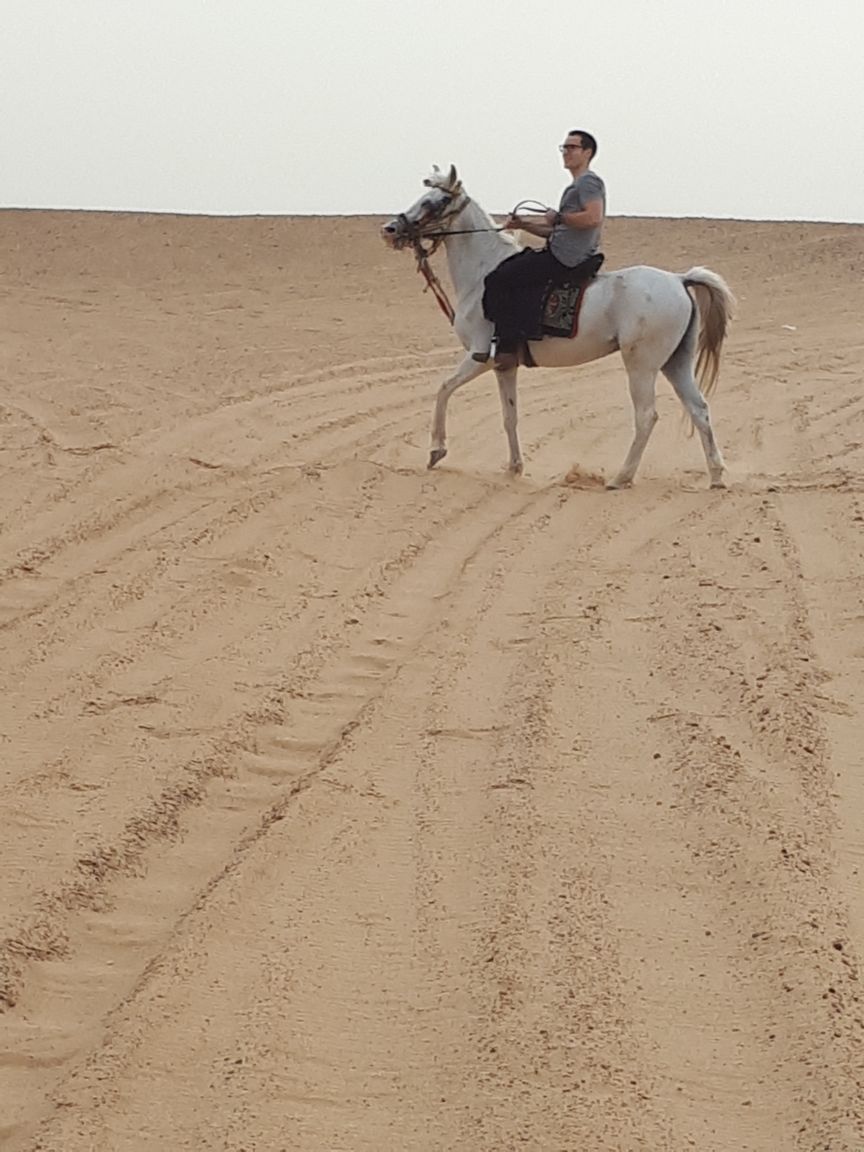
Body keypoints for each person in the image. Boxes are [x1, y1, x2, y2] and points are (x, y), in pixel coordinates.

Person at [482, 129, 606, 369]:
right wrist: (524, 225)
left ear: (587, 152)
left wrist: (559, 217)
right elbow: (558, 231)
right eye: (564, 147)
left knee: (498, 279)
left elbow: (593, 217)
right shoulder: (576, 185)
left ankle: (507, 346)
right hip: (562, 251)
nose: (566, 152)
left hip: (565, 258)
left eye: (572, 147)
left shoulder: (588, 182)